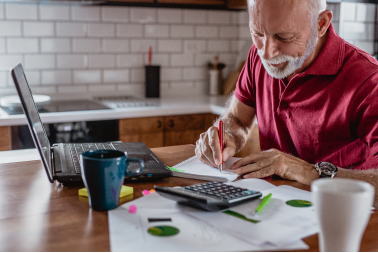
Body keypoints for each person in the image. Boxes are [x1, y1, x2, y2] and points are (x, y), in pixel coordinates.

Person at [196, 0, 378, 207]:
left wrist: (306, 171)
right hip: (274, 208)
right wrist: (225, 136)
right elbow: (237, 119)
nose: (266, 53)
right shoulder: (258, 57)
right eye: (257, 34)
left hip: (342, 215)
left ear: (321, 24)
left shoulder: (369, 81)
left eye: (283, 37)